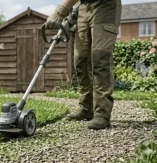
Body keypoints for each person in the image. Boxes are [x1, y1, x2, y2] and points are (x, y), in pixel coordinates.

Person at [45, 0, 122, 130]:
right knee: (80, 60)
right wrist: (73, 13)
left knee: (100, 58)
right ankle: (86, 108)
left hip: (105, 5)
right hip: (83, 7)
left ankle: (102, 113)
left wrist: (60, 12)